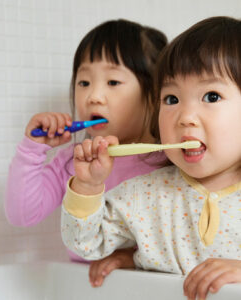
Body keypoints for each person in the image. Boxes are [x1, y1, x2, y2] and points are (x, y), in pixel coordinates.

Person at [61, 16, 241, 300]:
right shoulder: (142, 194)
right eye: (171, 99)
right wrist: (88, 187)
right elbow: (84, 244)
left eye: (211, 96)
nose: (185, 117)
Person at [5, 19, 167, 262]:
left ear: (155, 93)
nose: (93, 96)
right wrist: (32, 149)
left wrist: (130, 260)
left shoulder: (170, 161)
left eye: (113, 82)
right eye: (83, 83)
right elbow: (21, 215)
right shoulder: (73, 161)